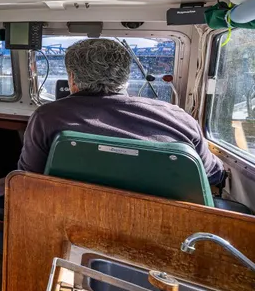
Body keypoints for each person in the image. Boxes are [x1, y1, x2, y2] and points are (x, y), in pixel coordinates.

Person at [18, 38, 224, 185]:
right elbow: (212, 176)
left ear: (71, 78)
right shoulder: (179, 119)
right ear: (126, 77)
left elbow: (29, 177)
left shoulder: (47, 117)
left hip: (73, 218)